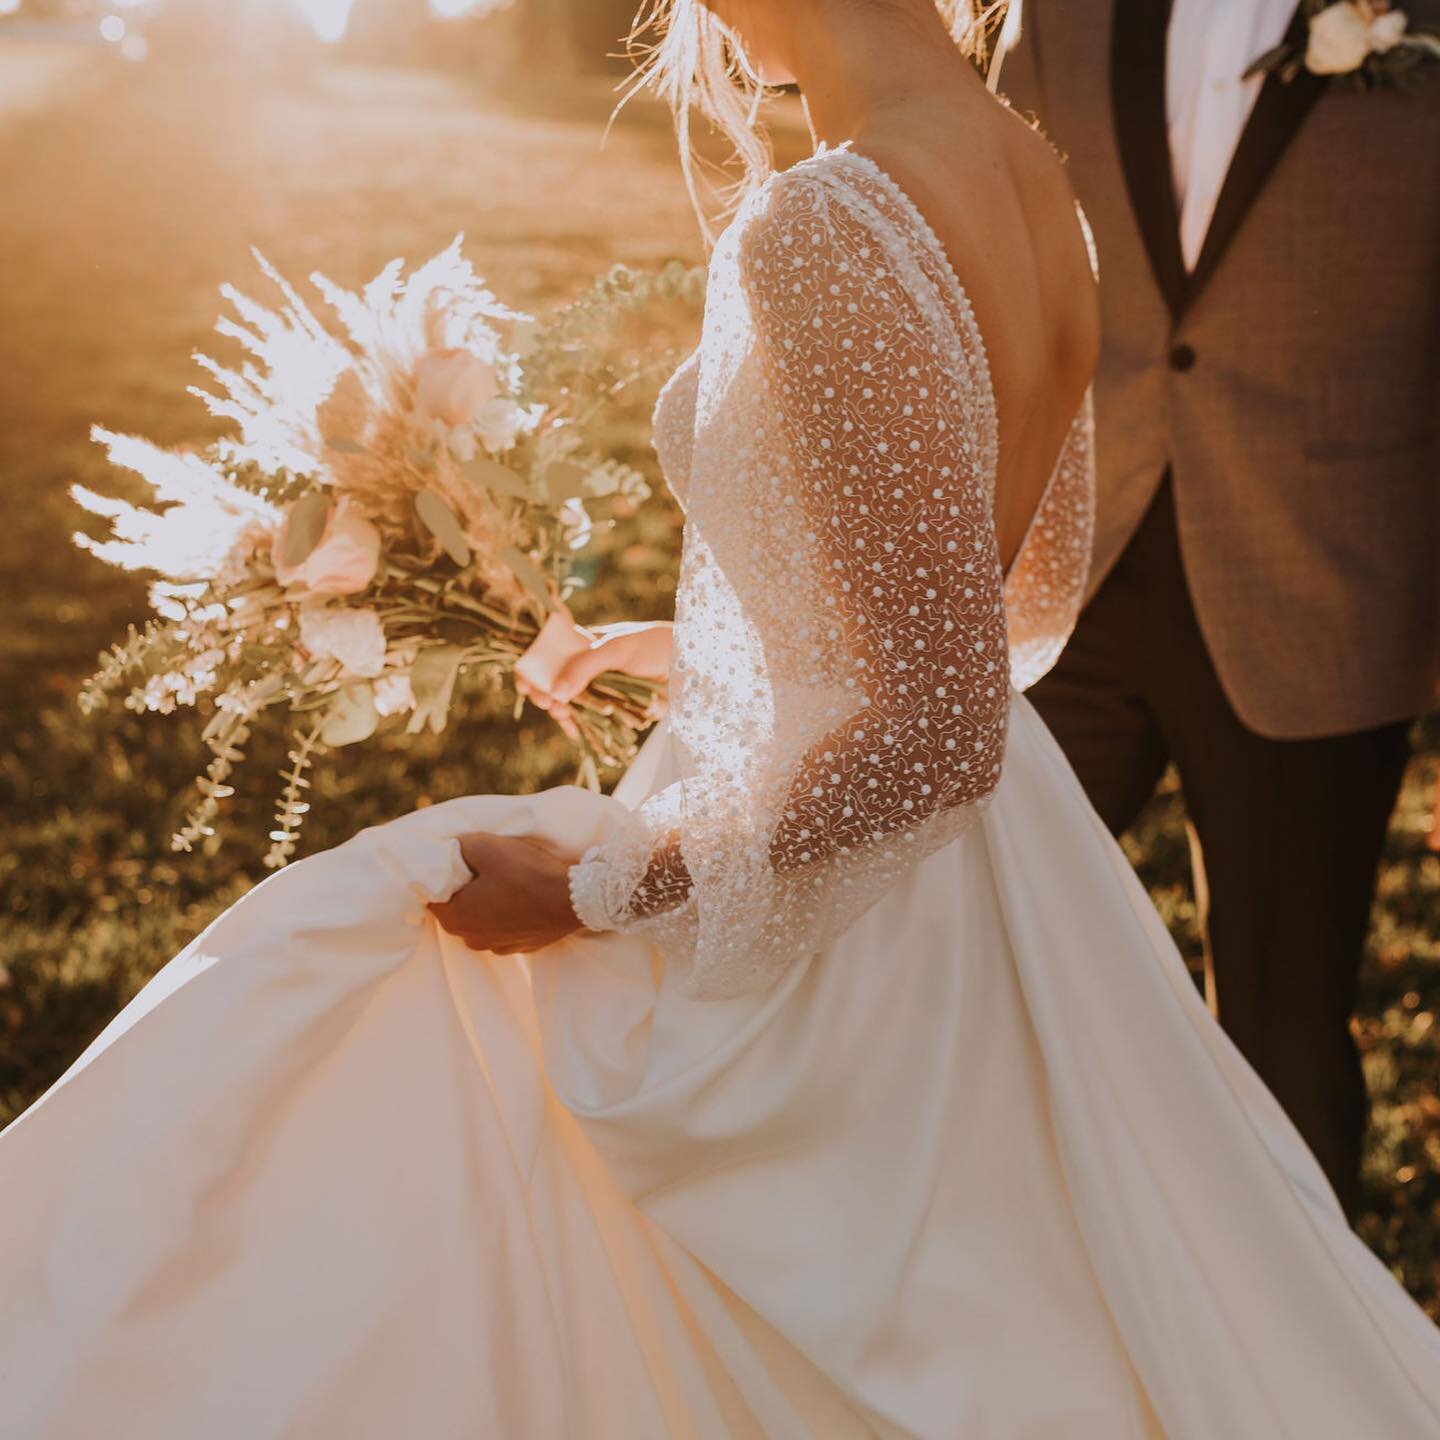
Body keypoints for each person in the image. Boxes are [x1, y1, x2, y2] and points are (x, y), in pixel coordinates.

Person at [2, 3, 1439, 1436]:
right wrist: (732, 644)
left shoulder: (826, 221)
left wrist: (598, 887)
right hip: (1000, 878)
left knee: (359, 1012)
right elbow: (1010, 607)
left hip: (854, 920)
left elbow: (937, 727)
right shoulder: (1025, 170)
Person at [998, 0, 1440, 1215]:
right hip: (1065, 576)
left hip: (1323, 593)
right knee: (954, 938)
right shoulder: (1061, 14)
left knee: (1283, 1024)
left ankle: (1311, 1368)